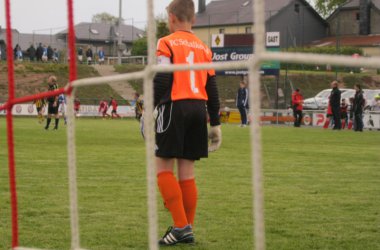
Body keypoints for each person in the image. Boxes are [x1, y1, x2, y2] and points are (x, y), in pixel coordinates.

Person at [153, 0, 221, 246]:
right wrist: (215, 122)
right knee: (187, 173)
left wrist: (147, 110)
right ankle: (187, 228)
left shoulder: (166, 42)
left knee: (162, 168)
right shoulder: (204, 47)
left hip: (174, 106)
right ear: (193, 19)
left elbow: (162, 78)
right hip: (198, 109)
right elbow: (211, 87)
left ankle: (181, 226)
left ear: (171, 17)